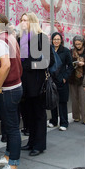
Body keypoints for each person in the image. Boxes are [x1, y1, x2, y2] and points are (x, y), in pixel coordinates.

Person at [0, 12, 23, 169]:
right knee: (10, 126)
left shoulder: (0, 41)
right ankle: (9, 157)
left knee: (12, 128)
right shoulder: (10, 37)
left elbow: (6, 65)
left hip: (8, 89)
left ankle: (13, 166)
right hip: (15, 87)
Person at [18, 12, 54, 156]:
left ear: (32, 22)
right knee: (28, 115)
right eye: (21, 20)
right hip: (24, 83)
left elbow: (48, 62)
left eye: (25, 20)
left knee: (39, 115)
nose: (22, 22)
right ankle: (31, 141)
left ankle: (39, 145)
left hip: (37, 83)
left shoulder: (41, 38)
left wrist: (29, 66)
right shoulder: (21, 38)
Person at [48, 32, 73, 130]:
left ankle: (64, 122)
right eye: (54, 39)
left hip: (61, 80)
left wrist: (65, 77)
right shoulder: (49, 49)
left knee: (62, 102)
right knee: (52, 100)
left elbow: (70, 66)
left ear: (61, 40)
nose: (56, 41)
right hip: (52, 79)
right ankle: (53, 121)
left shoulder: (65, 51)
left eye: (58, 39)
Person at [69, 35, 85, 124]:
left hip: (83, 77)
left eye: (79, 44)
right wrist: (74, 64)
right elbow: (69, 63)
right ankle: (76, 116)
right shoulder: (71, 52)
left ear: (83, 43)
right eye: (76, 44)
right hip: (73, 77)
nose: (77, 45)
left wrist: (83, 64)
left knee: (84, 98)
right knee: (74, 98)